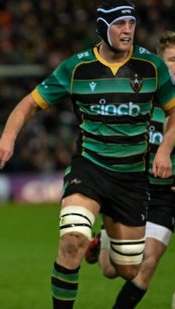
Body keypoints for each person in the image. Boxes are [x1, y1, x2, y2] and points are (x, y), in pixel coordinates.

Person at [0, 1, 175, 308]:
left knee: (126, 268)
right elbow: (30, 103)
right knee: (72, 240)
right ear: (103, 27)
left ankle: (105, 237)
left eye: (131, 23)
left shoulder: (151, 67)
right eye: (120, 24)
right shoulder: (75, 67)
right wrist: (8, 137)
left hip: (131, 178)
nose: (128, 30)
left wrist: (165, 149)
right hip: (89, 169)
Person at [85, 30, 175, 308]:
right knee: (112, 270)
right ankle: (105, 238)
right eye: (172, 59)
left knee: (147, 265)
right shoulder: (142, 93)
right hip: (135, 190)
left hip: (166, 196)